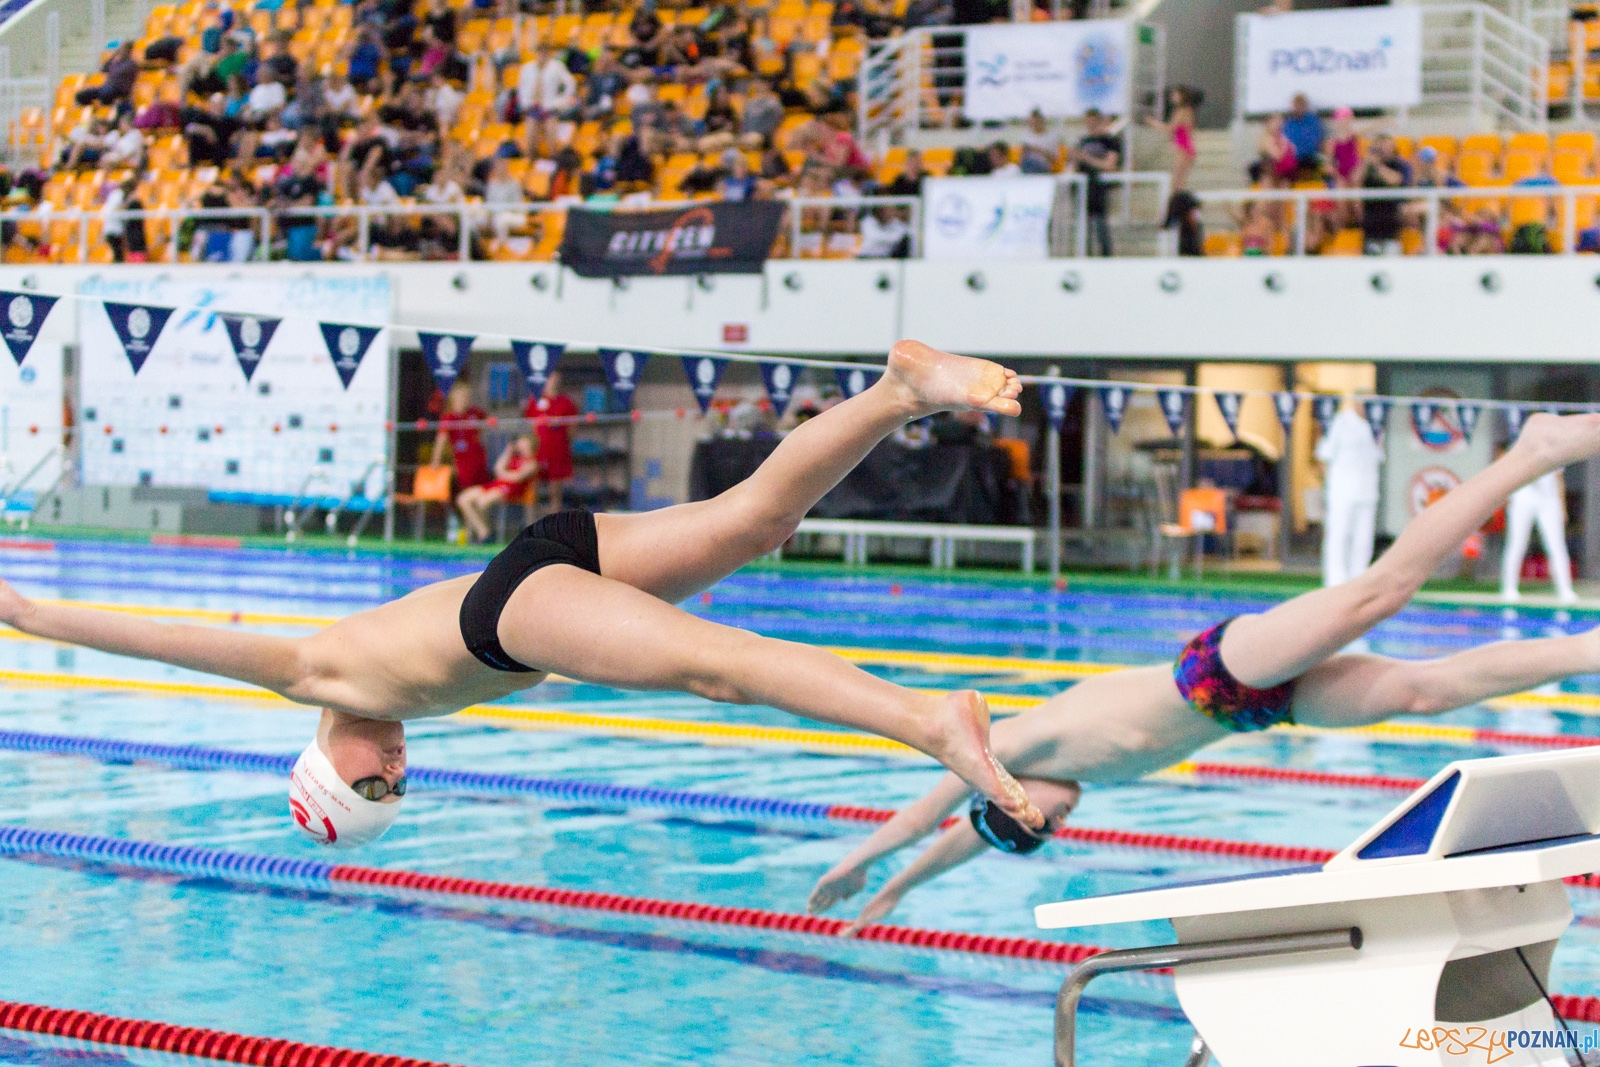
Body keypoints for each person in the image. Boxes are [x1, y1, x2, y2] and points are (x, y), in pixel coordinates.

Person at [0, 342, 1036, 849]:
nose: (392, 773)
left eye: (367, 783)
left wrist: (28, 613)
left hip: (510, 609)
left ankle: (922, 719)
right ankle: (900, 388)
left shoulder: (311, 668)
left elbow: (146, 635)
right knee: (756, 518)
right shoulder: (389, 695)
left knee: (714, 667)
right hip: (545, 561)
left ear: (322, 762)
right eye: (393, 794)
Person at [807, 412, 1600, 931]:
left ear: (1006, 800)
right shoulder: (1067, 788)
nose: (1050, 822)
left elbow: (928, 817)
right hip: (1254, 709)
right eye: (1041, 834)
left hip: (1214, 671)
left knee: (1379, 592)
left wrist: (861, 866)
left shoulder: (1003, 749)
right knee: (1425, 691)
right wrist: (895, 899)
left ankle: (1533, 450)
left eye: (1030, 820)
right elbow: (966, 845)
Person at [1316, 398, 1382, 586]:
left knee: (1364, 539)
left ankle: (1358, 581)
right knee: (1338, 536)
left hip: (1368, 491)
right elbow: (1324, 455)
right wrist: (1325, 487)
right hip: (1341, 491)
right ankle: (1334, 582)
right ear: (1355, 403)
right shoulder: (1340, 422)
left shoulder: (1376, 424)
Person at [1501, 469, 1577, 603]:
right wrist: (1508, 498)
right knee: (1516, 544)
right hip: (1522, 497)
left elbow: (1558, 477)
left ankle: (1565, 590)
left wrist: (1562, 507)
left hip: (1549, 499)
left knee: (1556, 546)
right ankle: (1509, 589)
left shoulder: (1555, 450)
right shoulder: (1518, 448)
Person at [456, 434, 538, 543]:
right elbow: (497, 469)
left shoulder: (532, 463)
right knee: (463, 499)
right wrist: (507, 452)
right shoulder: (513, 457)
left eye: (522, 442)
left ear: (529, 444)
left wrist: (503, 474)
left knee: (481, 502)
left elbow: (517, 478)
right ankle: (484, 532)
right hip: (497, 484)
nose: (519, 444)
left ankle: (485, 534)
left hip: (511, 490)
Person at [523, 370, 577, 514]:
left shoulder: (565, 402)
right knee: (533, 490)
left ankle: (554, 525)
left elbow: (572, 428)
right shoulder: (535, 400)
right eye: (549, 377)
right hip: (539, 452)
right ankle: (533, 524)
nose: (552, 381)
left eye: (554, 377)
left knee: (555, 492)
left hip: (558, 452)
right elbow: (529, 426)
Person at [435, 377, 492, 509]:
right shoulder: (449, 417)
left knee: (481, 493)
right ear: (454, 398)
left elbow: (490, 421)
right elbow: (441, 440)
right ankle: (471, 527)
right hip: (462, 461)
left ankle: (481, 526)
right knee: (466, 495)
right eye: (462, 397)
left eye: (467, 397)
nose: (465, 400)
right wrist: (436, 460)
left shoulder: (474, 412)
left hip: (478, 458)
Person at [1072, 109, 1121, 257]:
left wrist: (1088, 159)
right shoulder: (1083, 141)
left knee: (1100, 223)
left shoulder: (1109, 140)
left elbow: (1110, 165)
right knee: (1084, 225)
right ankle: (1085, 254)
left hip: (1098, 186)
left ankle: (1106, 255)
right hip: (1082, 186)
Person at [1360, 134, 1412, 255]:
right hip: (1370, 223)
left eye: (1387, 146)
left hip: (1390, 222)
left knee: (1392, 260)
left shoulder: (1399, 165)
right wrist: (1367, 163)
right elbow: (1355, 180)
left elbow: (1396, 180)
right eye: (1381, 147)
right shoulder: (1368, 166)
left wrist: (1377, 166)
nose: (1384, 150)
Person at [1144, 85, 1198, 191]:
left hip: (1183, 147)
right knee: (1179, 180)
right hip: (1184, 145)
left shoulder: (1182, 111)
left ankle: (1177, 203)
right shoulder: (1187, 110)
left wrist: (1153, 123)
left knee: (1177, 181)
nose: (1173, 96)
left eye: (1175, 94)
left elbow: (1170, 128)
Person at [1281, 93, 1323, 175]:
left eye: (1300, 104)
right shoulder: (1289, 123)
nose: (1297, 107)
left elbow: (1314, 143)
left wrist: (1296, 152)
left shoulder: (1313, 121)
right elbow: (1285, 141)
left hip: (1307, 158)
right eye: (1295, 105)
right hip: (1291, 158)